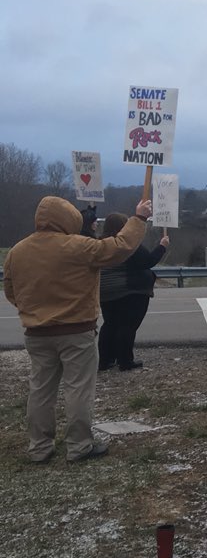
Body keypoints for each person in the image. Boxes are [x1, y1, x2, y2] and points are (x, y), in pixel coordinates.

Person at [3, 195, 152, 463]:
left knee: (40, 390)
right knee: (78, 389)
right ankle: (79, 445)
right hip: (76, 331)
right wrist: (139, 218)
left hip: (36, 333)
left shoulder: (17, 251)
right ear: (68, 219)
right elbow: (119, 247)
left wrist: (34, 309)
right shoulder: (77, 246)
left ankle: (39, 448)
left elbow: (11, 291)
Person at [98, 214, 170, 371]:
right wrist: (162, 246)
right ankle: (125, 360)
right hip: (129, 290)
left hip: (105, 291)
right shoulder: (126, 245)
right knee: (127, 326)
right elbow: (147, 261)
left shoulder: (101, 243)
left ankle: (105, 359)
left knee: (110, 325)